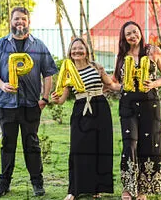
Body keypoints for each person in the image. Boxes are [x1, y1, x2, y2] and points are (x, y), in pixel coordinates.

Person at [0, 6, 58, 198]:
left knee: (31, 144)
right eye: (16, 19)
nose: (20, 22)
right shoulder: (0, 45)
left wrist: (45, 98)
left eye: (23, 19)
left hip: (31, 105)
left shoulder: (39, 46)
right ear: (11, 21)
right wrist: (1, 85)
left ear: (29, 22)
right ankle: (4, 183)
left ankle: (37, 183)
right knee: (8, 144)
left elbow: (48, 73)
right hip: (7, 104)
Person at [51, 38, 121, 200]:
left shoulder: (96, 66)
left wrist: (129, 86)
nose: (77, 51)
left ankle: (97, 187)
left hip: (100, 107)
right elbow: (61, 99)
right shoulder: (68, 71)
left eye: (80, 48)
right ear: (70, 52)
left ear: (86, 51)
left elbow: (110, 84)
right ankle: (73, 190)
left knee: (100, 147)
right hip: (81, 109)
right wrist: (55, 99)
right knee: (78, 148)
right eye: (74, 49)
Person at [113, 21, 161, 200]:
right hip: (128, 104)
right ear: (124, 37)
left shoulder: (153, 51)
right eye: (128, 33)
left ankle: (143, 189)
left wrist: (153, 83)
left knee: (149, 144)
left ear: (140, 32)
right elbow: (116, 82)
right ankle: (128, 187)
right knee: (130, 143)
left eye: (135, 32)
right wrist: (106, 83)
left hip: (150, 104)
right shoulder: (122, 56)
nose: (132, 36)